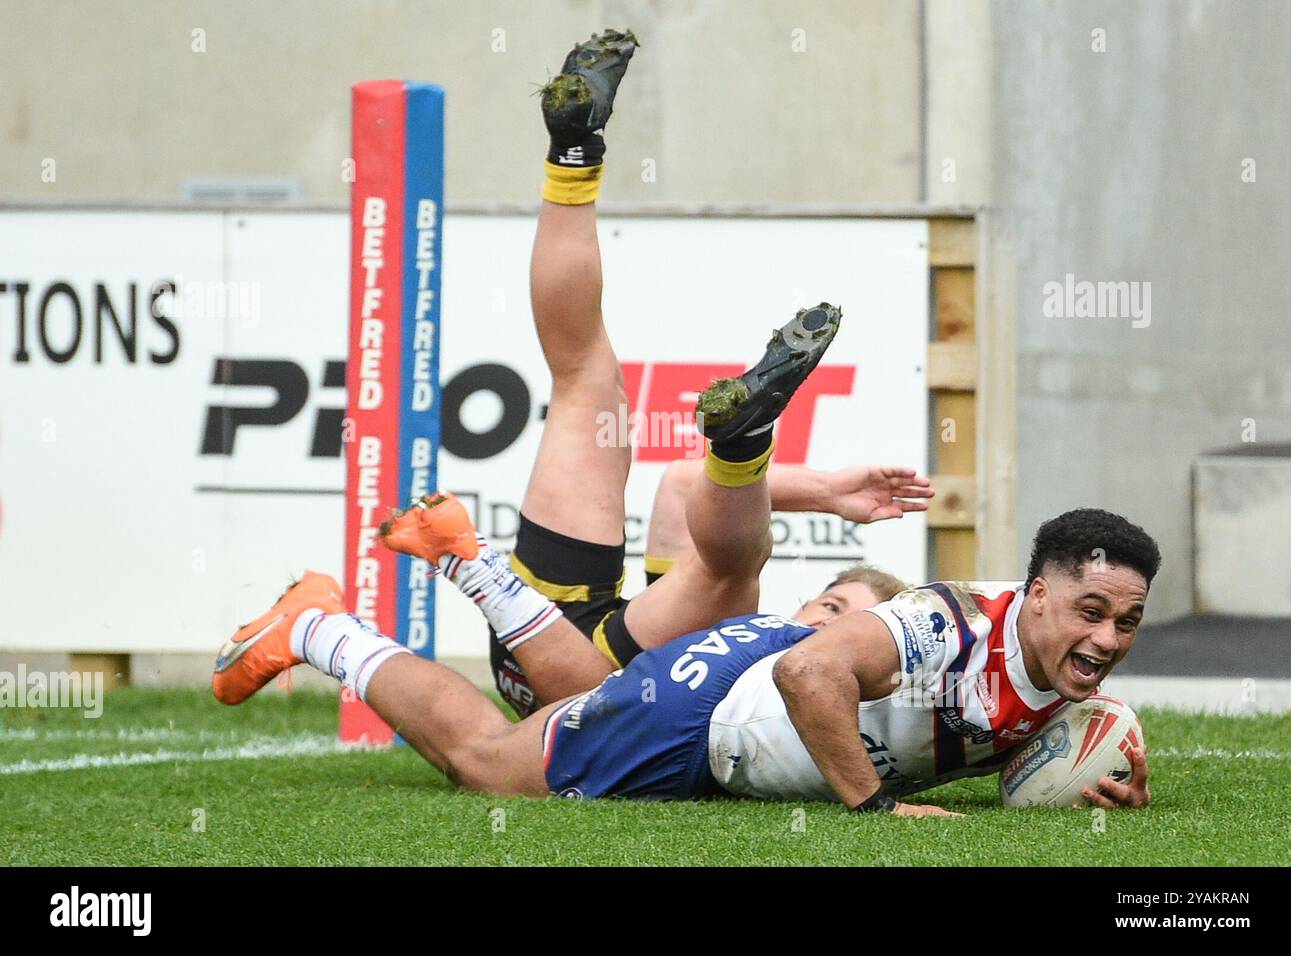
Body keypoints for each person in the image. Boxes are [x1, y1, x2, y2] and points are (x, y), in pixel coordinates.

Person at [486, 28, 930, 715]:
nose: (822, 625)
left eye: (846, 625)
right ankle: (574, 150)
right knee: (585, 379)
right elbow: (684, 481)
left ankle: (746, 440)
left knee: (731, 569)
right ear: (807, 598)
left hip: (588, 683)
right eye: (831, 605)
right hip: (573, 641)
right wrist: (829, 490)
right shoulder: (755, 641)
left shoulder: (842, 704)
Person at [211, 498, 1156, 815]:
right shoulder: (949, 622)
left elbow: (1001, 730)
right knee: (489, 768)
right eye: (1090, 612)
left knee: (593, 692)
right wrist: (876, 817)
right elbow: (807, 673)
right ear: (1035, 594)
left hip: (730, 687)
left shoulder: (1054, 664)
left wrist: (1092, 776)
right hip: (712, 713)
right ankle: (317, 628)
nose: (1106, 640)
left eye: (1126, 624)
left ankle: (470, 560)